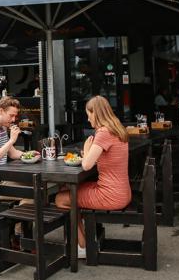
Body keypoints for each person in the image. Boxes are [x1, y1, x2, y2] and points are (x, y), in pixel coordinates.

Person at [55, 96, 130, 258]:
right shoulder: (117, 129)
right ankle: (84, 237)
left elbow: (87, 165)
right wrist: (88, 154)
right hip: (121, 191)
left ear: (96, 113)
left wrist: (87, 149)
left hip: (110, 195)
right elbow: (98, 160)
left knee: (61, 199)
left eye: (89, 114)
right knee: (67, 189)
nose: (88, 118)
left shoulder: (103, 132)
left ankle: (82, 245)